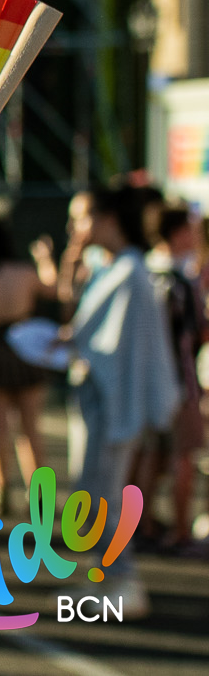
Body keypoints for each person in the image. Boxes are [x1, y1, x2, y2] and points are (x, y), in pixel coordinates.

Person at [65, 184, 181, 618]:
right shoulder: (111, 267)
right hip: (103, 401)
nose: (74, 227)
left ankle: (123, 580)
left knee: (106, 497)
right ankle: (109, 577)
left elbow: (131, 349)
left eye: (81, 217)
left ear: (108, 219)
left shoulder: (131, 273)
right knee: (95, 494)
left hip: (116, 404)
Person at [0, 219, 54, 513]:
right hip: (25, 346)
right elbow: (53, 289)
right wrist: (44, 259)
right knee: (31, 427)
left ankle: (0, 489)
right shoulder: (25, 273)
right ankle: (39, 493)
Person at [143, 203, 204, 553]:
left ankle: (145, 525)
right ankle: (181, 532)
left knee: (151, 455)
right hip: (181, 381)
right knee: (184, 456)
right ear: (178, 233)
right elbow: (198, 332)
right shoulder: (182, 280)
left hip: (149, 382)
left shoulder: (144, 271)